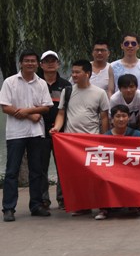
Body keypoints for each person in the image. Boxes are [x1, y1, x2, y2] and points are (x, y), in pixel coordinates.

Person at [51, 59, 110, 216]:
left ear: (87, 73)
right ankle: (83, 206)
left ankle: (102, 206)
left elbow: (104, 117)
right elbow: (61, 113)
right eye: (73, 72)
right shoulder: (67, 91)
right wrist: (57, 128)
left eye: (77, 72)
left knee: (96, 176)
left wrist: (105, 138)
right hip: (72, 143)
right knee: (77, 176)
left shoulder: (100, 93)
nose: (74, 75)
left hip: (92, 141)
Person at [0, 50, 53, 221]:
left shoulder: (41, 83)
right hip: (16, 133)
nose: (30, 63)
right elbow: (5, 107)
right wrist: (30, 115)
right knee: (12, 171)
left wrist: (27, 111)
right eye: (26, 61)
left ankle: (36, 205)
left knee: (36, 170)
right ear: (21, 63)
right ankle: (9, 208)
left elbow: (46, 107)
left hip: (36, 133)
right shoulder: (10, 82)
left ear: (37, 64)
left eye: (33, 61)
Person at [38, 50, 71, 209]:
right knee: (41, 167)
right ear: (41, 65)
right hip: (39, 131)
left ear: (58, 64)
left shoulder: (66, 85)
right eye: (47, 61)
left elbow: (68, 109)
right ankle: (43, 199)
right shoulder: (36, 83)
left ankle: (63, 198)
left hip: (61, 133)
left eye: (53, 61)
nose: (50, 64)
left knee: (63, 167)